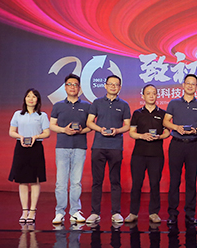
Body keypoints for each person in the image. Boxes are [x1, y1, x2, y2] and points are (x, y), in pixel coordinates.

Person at [85, 75, 131, 226]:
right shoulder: (97, 103)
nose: (113, 86)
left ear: (120, 87)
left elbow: (127, 126)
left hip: (115, 147)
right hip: (99, 146)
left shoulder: (124, 105)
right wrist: (100, 129)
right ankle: (95, 213)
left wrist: (117, 131)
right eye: (110, 84)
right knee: (97, 181)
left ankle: (116, 212)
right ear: (105, 86)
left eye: (116, 84)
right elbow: (89, 122)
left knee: (115, 181)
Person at [163, 74, 197, 227]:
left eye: (193, 84)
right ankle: (172, 214)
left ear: (196, 87)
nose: (190, 86)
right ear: (183, 85)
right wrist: (176, 127)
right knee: (174, 180)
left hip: (192, 145)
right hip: (176, 144)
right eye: (188, 83)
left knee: (191, 180)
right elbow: (165, 121)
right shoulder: (174, 103)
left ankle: (190, 214)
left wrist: (195, 130)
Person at [49, 73, 91, 225]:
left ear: (79, 88)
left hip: (80, 147)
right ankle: (59, 212)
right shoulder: (58, 105)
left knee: (76, 182)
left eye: (75, 85)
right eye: (69, 84)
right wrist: (64, 130)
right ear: (65, 87)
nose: (72, 87)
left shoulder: (87, 106)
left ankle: (75, 211)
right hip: (62, 147)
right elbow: (52, 125)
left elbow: (90, 126)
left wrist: (81, 131)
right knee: (61, 182)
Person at [127, 84, 170, 224]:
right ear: (143, 96)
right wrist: (142, 136)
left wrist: (160, 137)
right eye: (148, 93)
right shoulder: (137, 113)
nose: (151, 96)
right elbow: (131, 132)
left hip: (156, 155)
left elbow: (167, 132)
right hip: (139, 154)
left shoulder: (163, 114)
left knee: (155, 184)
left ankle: (154, 213)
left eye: (154, 93)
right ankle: (133, 213)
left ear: (157, 95)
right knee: (136, 184)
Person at [8, 88, 51, 224]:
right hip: (21, 148)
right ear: (24, 99)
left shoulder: (42, 115)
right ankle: (24, 211)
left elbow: (47, 133)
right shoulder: (18, 114)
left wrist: (36, 137)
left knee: (34, 180)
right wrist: (20, 137)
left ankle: (32, 210)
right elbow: (11, 131)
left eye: (34, 96)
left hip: (36, 148)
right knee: (22, 181)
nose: (31, 99)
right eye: (28, 96)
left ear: (38, 100)